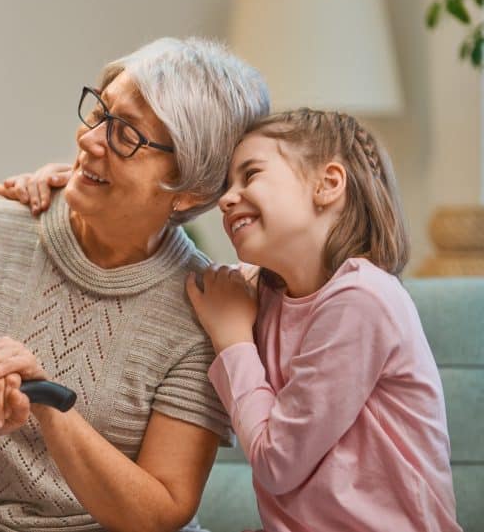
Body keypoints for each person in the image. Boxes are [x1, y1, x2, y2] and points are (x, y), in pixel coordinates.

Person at [0, 37, 270, 532]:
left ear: (190, 192)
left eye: (127, 136)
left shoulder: (205, 307)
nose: (90, 140)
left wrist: (47, 403)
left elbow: (160, 514)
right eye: (100, 112)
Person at [186, 109, 461, 532]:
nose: (225, 198)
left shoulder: (363, 298)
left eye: (250, 174)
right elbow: (181, 278)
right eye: (226, 186)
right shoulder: (267, 295)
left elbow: (277, 463)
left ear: (328, 184)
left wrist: (233, 341)